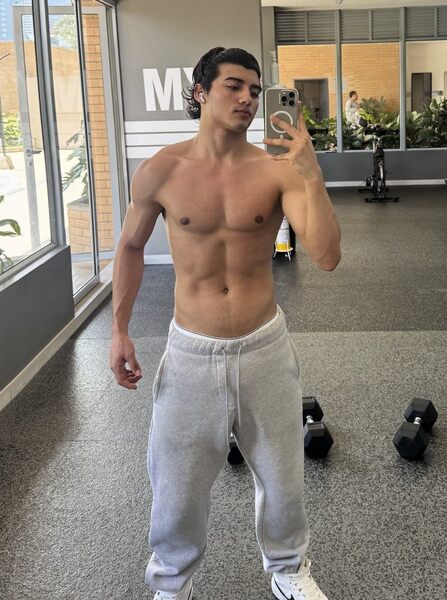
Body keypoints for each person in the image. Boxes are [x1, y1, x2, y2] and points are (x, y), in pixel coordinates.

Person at [110, 47, 341, 600]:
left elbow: (327, 256)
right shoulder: (162, 169)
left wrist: (312, 175)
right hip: (191, 352)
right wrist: (119, 329)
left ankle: (288, 570)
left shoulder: (277, 170)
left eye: (255, 90)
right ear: (200, 92)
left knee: (283, 476)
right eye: (234, 86)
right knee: (176, 483)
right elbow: (130, 247)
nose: (247, 99)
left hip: (264, 347)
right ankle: (172, 582)